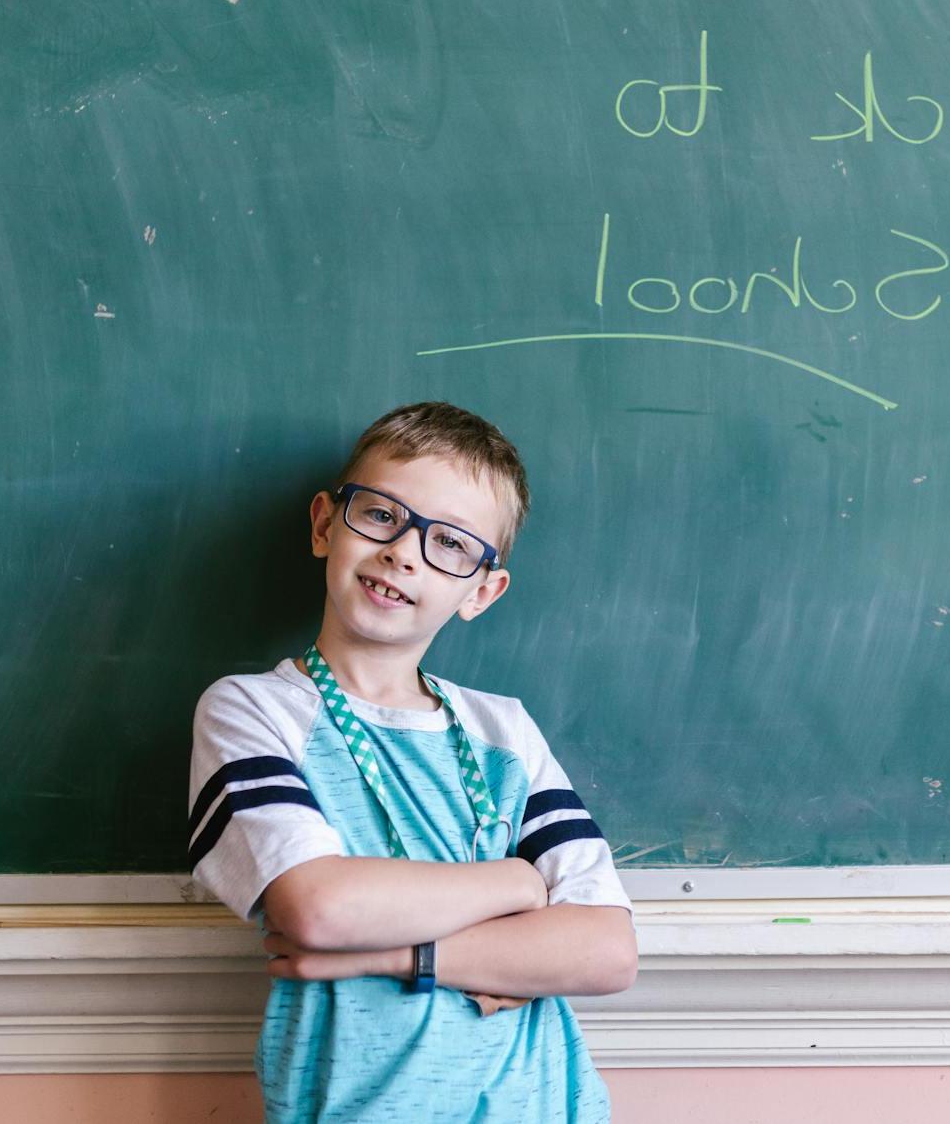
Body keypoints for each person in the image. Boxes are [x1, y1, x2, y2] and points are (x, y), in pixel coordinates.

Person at [187, 402, 637, 1122]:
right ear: (325, 524)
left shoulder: (505, 732)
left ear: (481, 591)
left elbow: (606, 949)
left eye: (451, 544)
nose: (404, 552)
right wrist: (520, 883)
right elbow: (319, 906)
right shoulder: (252, 711)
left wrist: (392, 955)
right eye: (383, 515)